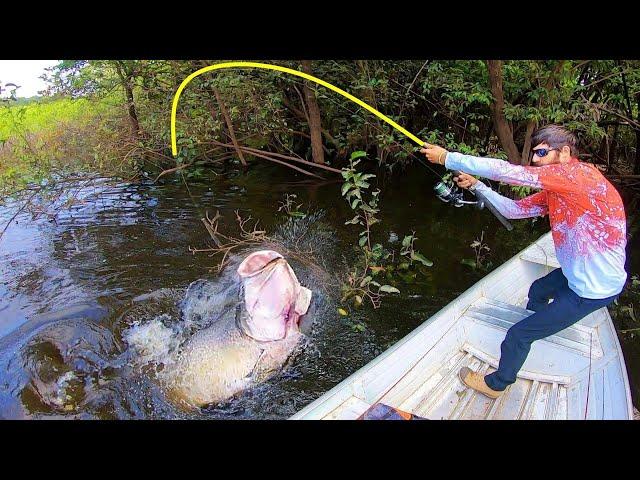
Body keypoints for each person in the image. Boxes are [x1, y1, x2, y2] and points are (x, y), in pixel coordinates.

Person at [420, 124, 627, 398]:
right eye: (534, 154)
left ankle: (497, 384)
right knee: (538, 291)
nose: (535, 160)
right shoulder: (560, 190)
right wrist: (478, 185)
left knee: (518, 335)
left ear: (564, 152)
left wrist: (448, 158)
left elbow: (509, 172)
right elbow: (514, 210)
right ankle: (541, 327)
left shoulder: (578, 177)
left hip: (593, 291)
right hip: (575, 273)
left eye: (541, 153)